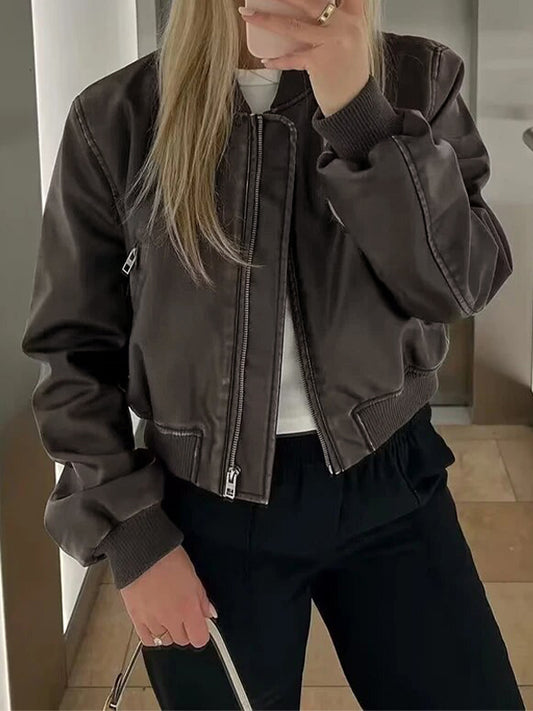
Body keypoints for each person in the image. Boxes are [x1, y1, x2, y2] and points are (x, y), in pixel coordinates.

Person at [21, 0, 524, 709]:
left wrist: (361, 118)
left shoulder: (417, 79)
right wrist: (133, 536)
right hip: (204, 515)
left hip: (389, 483)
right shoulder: (116, 119)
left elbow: (457, 284)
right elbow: (74, 353)